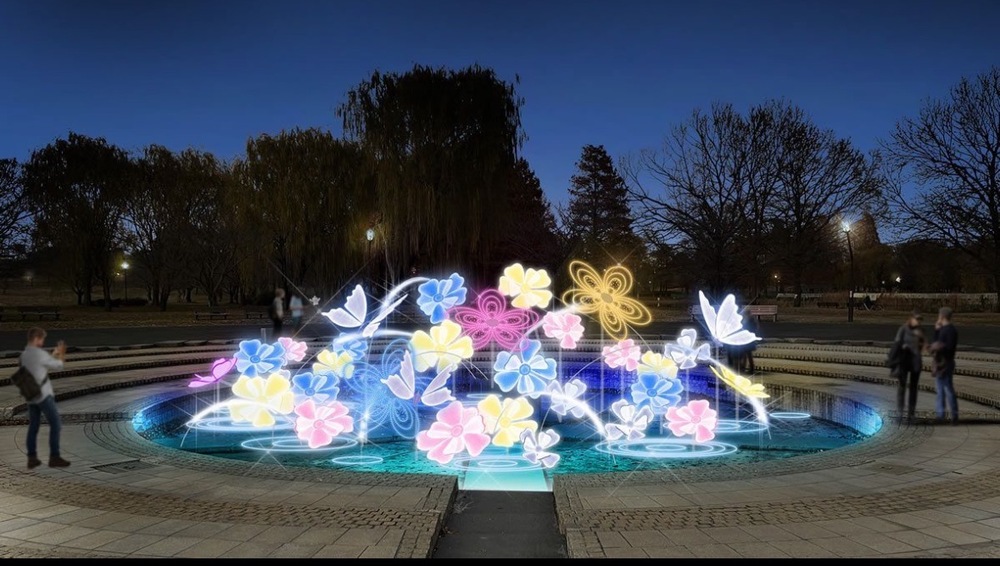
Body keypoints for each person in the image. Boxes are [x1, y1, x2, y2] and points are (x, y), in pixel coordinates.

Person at [19, 327, 71, 468]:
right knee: (56, 424)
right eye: (42, 339)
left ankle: (32, 457)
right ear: (36, 338)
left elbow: (38, 368)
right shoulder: (40, 354)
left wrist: (52, 355)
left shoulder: (24, 355)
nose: (42, 342)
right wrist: (61, 353)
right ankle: (54, 457)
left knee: (34, 426)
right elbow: (59, 366)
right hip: (43, 396)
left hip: (31, 395)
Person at [893, 310, 926, 423]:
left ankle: (911, 414)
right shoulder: (903, 329)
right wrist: (904, 346)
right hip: (904, 361)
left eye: (920, 320)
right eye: (917, 319)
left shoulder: (920, 331)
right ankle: (900, 413)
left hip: (915, 362)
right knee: (902, 388)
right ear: (911, 318)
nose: (918, 322)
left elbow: (923, 345)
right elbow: (897, 344)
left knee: (913, 388)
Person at [929, 306, 959, 424]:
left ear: (942, 316)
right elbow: (935, 343)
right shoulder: (943, 330)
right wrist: (936, 331)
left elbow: (949, 347)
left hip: (946, 363)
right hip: (941, 363)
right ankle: (941, 415)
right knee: (940, 390)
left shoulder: (950, 330)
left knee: (947, 389)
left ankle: (953, 415)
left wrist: (939, 348)